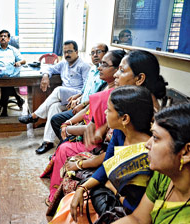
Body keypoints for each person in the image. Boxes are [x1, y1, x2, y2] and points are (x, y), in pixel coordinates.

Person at [50, 86, 154, 223]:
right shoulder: (120, 132)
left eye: (109, 110)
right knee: (70, 202)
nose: (105, 112)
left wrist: (112, 187)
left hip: (129, 210)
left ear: (125, 119)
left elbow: (137, 207)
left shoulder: (148, 153)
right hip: (112, 194)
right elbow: (107, 164)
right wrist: (82, 188)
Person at [42, 50, 125, 203]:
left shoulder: (116, 97)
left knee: (64, 146)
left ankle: (55, 194)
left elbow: (96, 132)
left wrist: (68, 128)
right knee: (56, 112)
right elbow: (90, 113)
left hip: (96, 144)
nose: (99, 67)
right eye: (100, 64)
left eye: (104, 65)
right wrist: (70, 122)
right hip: (88, 128)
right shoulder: (103, 87)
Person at [113, 103, 190, 224]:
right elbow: (138, 219)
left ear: (186, 152)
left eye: (155, 137)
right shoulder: (164, 176)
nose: (147, 145)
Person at [18, 40, 90, 154]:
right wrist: (46, 75)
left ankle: (35, 115)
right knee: (53, 107)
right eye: (65, 52)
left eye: (70, 51)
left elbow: (87, 88)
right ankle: (48, 141)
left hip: (78, 96)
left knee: (58, 89)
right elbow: (49, 68)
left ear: (77, 51)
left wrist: (79, 98)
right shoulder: (63, 64)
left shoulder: (84, 66)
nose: (67, 54)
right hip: (65, 98)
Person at [51, 43, 109, 141]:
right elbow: (84, 90)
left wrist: (81, 105)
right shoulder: (92, 69)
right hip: (80, 103)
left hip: (88, 109)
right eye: (92, 53)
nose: (95, 55)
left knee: (57, 119)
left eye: (98, 52)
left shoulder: (105, 74)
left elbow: (98, 97)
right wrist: (77, 97)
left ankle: (67, 143)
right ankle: (50, 141)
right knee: (54, 107)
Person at [0, 29, 26, 117]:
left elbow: (23, 60)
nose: (3, 38)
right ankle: (17, 99)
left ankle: (5, 109)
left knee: (6, 85)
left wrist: (19, 62)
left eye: (5, 36)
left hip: (11, 73)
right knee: (6, 85)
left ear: (8, 39)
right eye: (1, 36)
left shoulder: (13, 49)